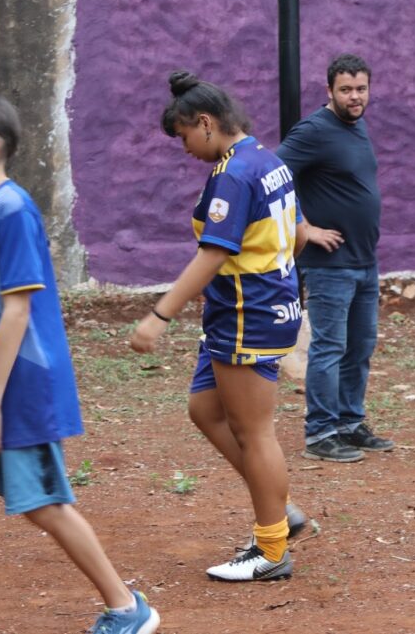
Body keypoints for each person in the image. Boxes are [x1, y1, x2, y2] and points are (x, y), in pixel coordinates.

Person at [0, 92, 159, 634]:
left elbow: (18, 312)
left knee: (42, 504)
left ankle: (127, 608)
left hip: (18, 392)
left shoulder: (12, 210)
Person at [130, 72, 304, 581]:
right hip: (249, 309)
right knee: (205, 408)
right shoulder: (266, 160)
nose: (184, 149)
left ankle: (271, 549)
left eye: (184, 136)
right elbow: (292, 236)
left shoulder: (233, 173)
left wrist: (159, 315)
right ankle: (281, 507)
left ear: (205, 123)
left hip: (249, 314)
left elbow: (213, 252)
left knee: (254, 432)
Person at [277, 54, 391, 464]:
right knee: (329, 347)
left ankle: (349, 422)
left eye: (361, 88)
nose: (355, 96)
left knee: (360, 346)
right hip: (330, 265)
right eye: (346, 89)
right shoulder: (313, 130)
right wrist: (305, 228)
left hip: (364, 260)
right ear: (330, 91)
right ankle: (320, 432)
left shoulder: (356, 126)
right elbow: (273, 176)